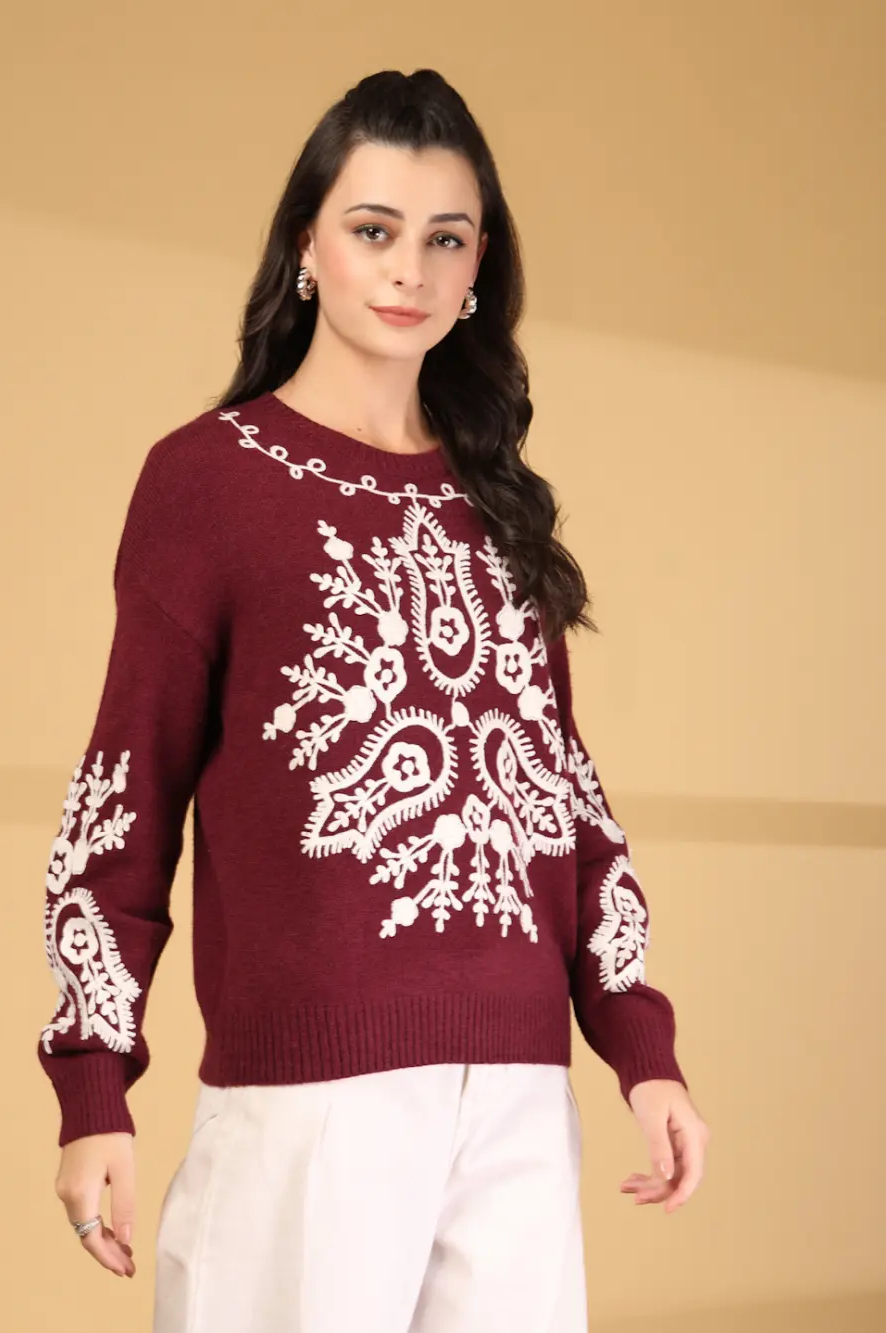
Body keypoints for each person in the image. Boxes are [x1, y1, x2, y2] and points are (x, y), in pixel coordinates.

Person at [37, 66, 709, 1333]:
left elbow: (559, 791)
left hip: (518, 1102)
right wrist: (93, 1088)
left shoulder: (498, 502)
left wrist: (639, 1046)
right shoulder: (206, 480)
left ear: (477, 268)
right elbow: (125, 795)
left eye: (444, 239)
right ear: (307, 244)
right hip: (309, 1106)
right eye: (373, 229)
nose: (408, 270)